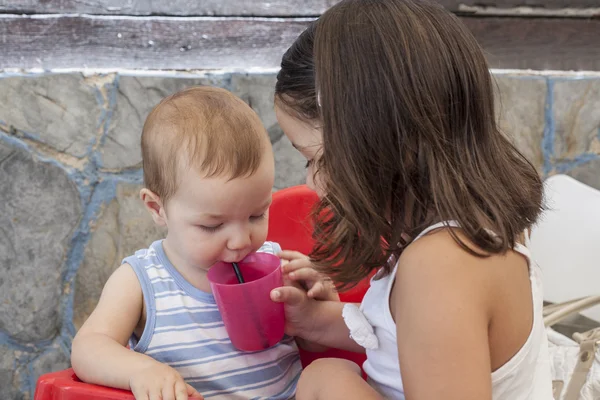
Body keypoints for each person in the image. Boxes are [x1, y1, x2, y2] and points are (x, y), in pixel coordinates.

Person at [271, 1, 553, 399]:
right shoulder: (466, 238)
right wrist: (316, 321)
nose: (313, 185)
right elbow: (413, 342)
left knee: (328, 377)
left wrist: (330, 388)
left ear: (382, 139)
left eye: (315, 159)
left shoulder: (442, 266)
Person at [71, 86, 331, 400]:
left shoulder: (275, 265)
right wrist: (140, 370)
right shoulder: (141, 281)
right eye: (213, 225)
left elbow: (315, 347)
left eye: (256, 214)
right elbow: (88, 347)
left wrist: (319, 305)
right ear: (157, 209)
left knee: (332, 375)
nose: (240, 240)